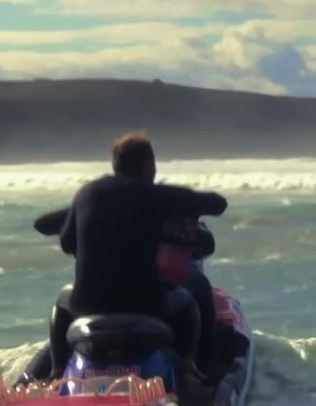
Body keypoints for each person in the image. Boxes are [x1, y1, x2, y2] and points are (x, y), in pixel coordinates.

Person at [50, 131, 227, 380]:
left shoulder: (87, 194)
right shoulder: (153, 195)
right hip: (145, 304)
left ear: (115, 165)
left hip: (87, 303)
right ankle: (193, 368)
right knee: (189, 302)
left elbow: (67, 243)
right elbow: (218, 204)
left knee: (61, 302)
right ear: (149, 166)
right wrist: (181, 204)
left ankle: (56, 371)